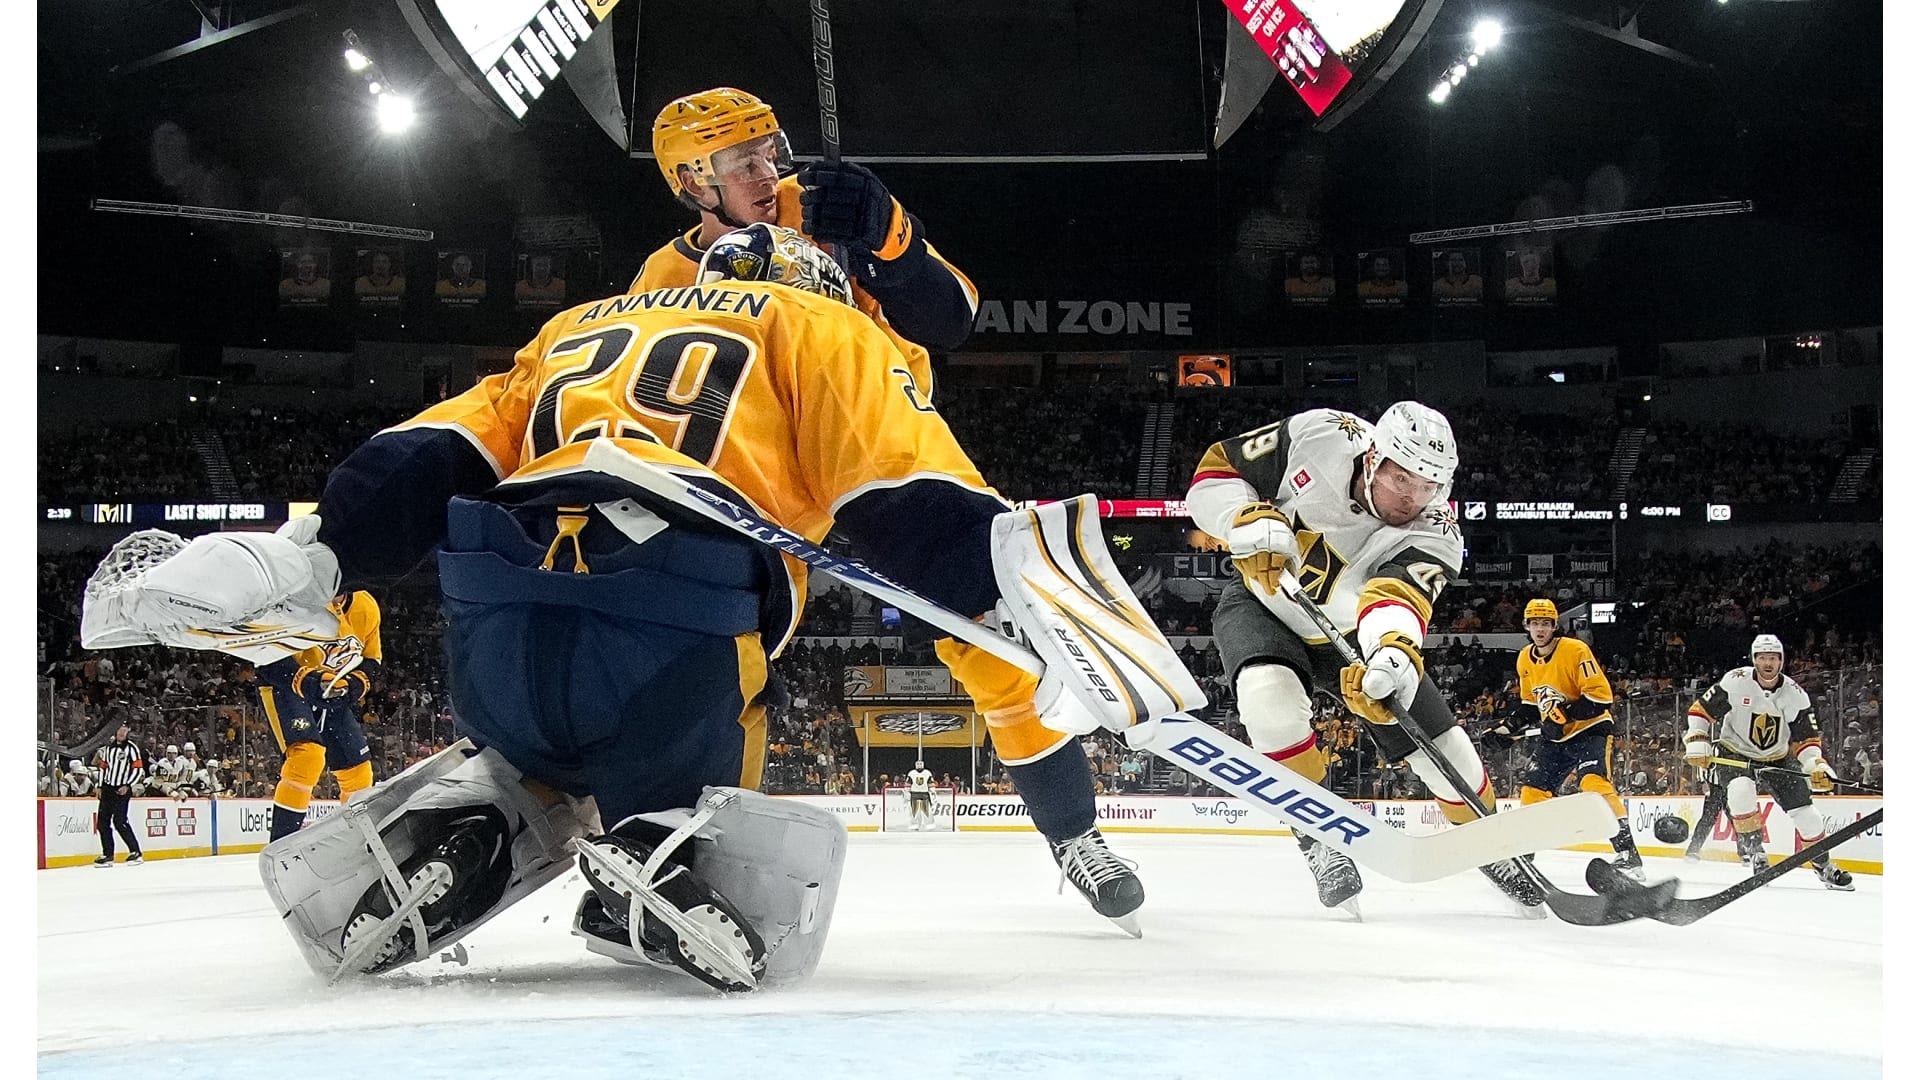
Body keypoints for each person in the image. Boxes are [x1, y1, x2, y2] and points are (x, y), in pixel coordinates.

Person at [82, 224, 1167, 992]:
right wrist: (1000, 591)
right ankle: (655, 853)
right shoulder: (824, 327)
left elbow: (438, 446)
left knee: (533, 762)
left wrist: (315, 552)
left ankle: (479, 814)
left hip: (492, 605)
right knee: (697, 803)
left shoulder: (576, 325)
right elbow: (900, 493)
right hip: (675, 610)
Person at [1185, 402, 1543, 916]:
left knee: (1448, 752)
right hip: (1264, 604)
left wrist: (1391, 658)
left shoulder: (1438, 530)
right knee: (1267, 700)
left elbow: (1395, 600)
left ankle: (1493, 845)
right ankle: (1317, 835)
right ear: (1373, 457)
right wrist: (1242, 518)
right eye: (1402, 478)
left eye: (1428, 485)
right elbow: (1217, 470)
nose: (1411, 498)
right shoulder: (1321, 433)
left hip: (1358, 634)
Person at [635, 87, 977, 395]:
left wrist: (892, 245)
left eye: (769, 156)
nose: (769, 175)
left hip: (890, 420)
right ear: (695, 184)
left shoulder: (823, 203)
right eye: (746, 165)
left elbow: (954, 321)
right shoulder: (659, 279)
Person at [1684, 635, 1852, 890]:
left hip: (1778, 757)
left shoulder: (1795, 695)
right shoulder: (1735, 682)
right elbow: (1701, 710)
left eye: (1773, 658)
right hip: (1735, 752)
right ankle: (1756, 854)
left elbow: (1806, 738)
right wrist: (1697, 737)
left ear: (1781, 661)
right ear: (1754, 660)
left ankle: (1823, 864)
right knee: (1740, 792)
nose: (1767, 663)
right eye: (1762, 658)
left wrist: (1815, 765)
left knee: (1807, 815)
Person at [1516, 599, 1644, 879]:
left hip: (1591, 730)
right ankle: (1524, 858)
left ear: (1554, 626)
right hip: (1556, 738)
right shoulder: (1524, 658)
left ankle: (1628, 855)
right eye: (1535, 623)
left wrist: (1563, 716)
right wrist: (1507, 728)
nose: (1540, 629)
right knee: (1533, 790)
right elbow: (1530, 705)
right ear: (1527, 626)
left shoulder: (1575, 650)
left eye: (1545, 623)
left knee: (1593, 783)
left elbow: (1601, 698)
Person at [255, 590, 382, 840]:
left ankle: (357, 844)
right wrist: (307, 681)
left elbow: (372, 661)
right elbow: (265, 658)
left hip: (330, 690)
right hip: (286, 686)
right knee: (307, 757)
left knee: (359, 773)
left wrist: (355, 685)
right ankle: (281, 844)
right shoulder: (292, 598)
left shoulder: (366, 605)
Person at [90, 724, 146, 866]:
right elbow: (103, 768)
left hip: (122, 789)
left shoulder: (132, 748)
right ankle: (108, 854)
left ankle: (135, 852)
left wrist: (128, 785)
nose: (121, 732)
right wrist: (99, 786)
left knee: (120, 821)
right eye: (119, 729)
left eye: (124, 730)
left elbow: (138, 769)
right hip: (107, 788)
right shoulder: (109, 748)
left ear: (128, 732)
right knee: (102, 823)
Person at [906, 759, 935, 832]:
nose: (919, 765)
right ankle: (914, 825)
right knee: (915, 811)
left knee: (927, 810)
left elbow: (931, 783)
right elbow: (908, 784)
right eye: (918, 764)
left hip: (924, 794)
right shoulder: (911, 773)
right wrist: (907, 792)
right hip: (914, 794)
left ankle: (929, 825)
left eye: (920, 764)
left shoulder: (927, 773)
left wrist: (932, 791)